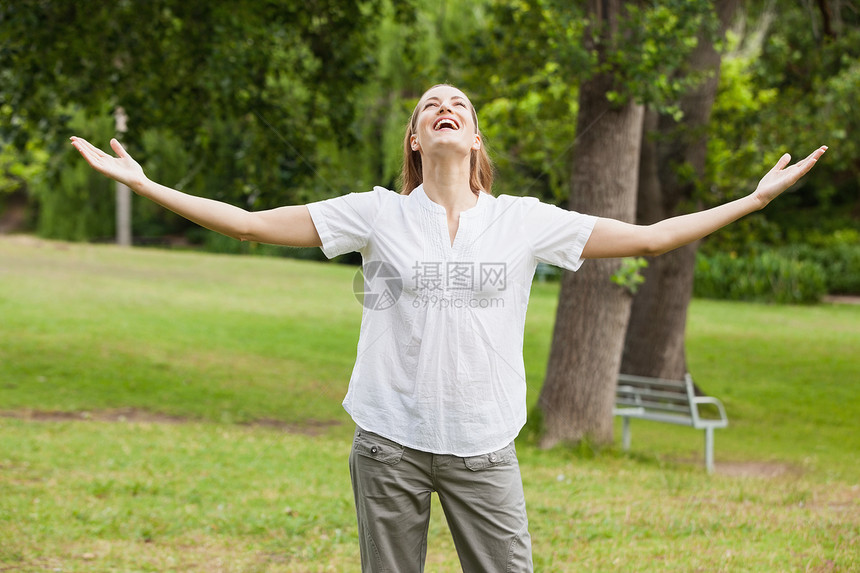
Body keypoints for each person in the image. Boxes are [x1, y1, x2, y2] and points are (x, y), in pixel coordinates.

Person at [71, 83, 826, 572]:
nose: (445, 106)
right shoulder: (375, 213)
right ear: (415, 140)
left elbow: (655, 236)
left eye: (458, 104)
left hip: (483, 447)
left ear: (473, 141)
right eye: (432, 103)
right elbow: (245, 225)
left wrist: (752, 201)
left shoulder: (524, 223)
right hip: (389, 445)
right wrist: (146, 184)